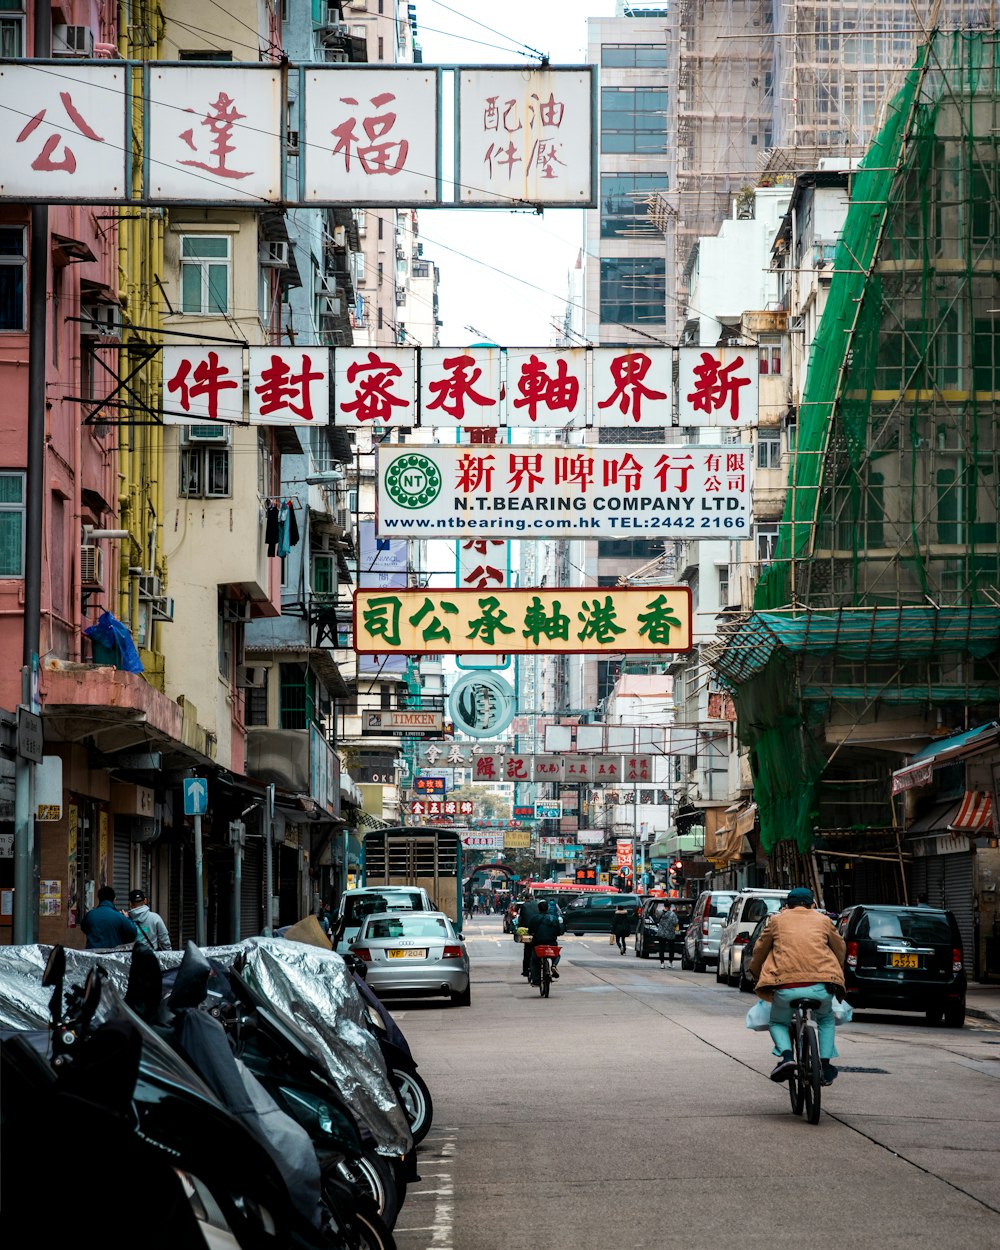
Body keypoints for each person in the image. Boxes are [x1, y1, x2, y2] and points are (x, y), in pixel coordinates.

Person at [747, 886, 846, 1088]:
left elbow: (759, 951)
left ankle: (787, 1057)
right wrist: (837, 972)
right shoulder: (824, 921)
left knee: (778, 1022)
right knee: (826, 1020)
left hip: (786, 987)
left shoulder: (776, 921)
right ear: (812, 905)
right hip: (821, 986)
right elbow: (840, 948)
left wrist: (756, 975)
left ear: (787, 906)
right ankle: (825, 1066)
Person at [81, 885, 138, 950]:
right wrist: (127, 917)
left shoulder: (89, 915)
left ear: (99, 899)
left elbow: (84, 928)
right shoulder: (119, 917)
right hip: (111, 954)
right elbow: (133, 932)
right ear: (114, 900)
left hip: (92, 954)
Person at [525, 899, 565, 986]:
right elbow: (559, 932)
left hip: (538, 944)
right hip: (552, 944)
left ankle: (536, 980)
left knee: (534, 960)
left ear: (538, 909)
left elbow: (530, 931)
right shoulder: (554, 919)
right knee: (556, 955)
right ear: (548, 909)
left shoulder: (534, 918)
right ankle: (554, 965)